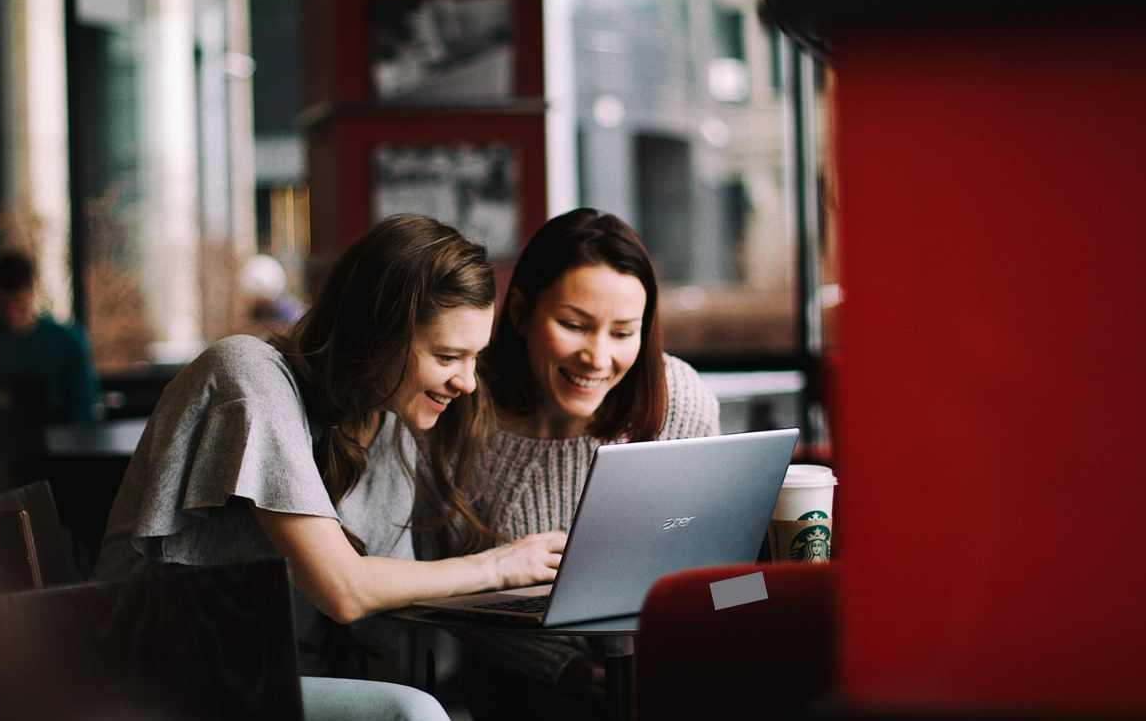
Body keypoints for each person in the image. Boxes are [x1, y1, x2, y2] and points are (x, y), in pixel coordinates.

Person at [95, 214, 567, 719]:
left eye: (475, 359)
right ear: (377, 336)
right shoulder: (247, 376)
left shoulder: (386, 423)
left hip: (267, 677)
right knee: (412, 714)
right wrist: (496, 566)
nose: (468, 383)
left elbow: (394, 591)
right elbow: (345, 591)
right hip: (162, 682)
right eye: (449, 356)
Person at [448, 208, 721, 720]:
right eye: (574, 325)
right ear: (521, 312)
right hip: (525, 681)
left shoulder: (678, 397)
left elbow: (721, 573)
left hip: (665, 662)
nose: (598, 357)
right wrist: (567, 669)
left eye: (622, 333)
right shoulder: (460, 409)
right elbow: (438, 591)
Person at [0, 250, 102, 424]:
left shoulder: (68, 342)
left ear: (32, 293)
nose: (11, 313)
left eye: (19, 303)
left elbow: (83, 413)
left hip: (57, 447)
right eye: (3, 305)